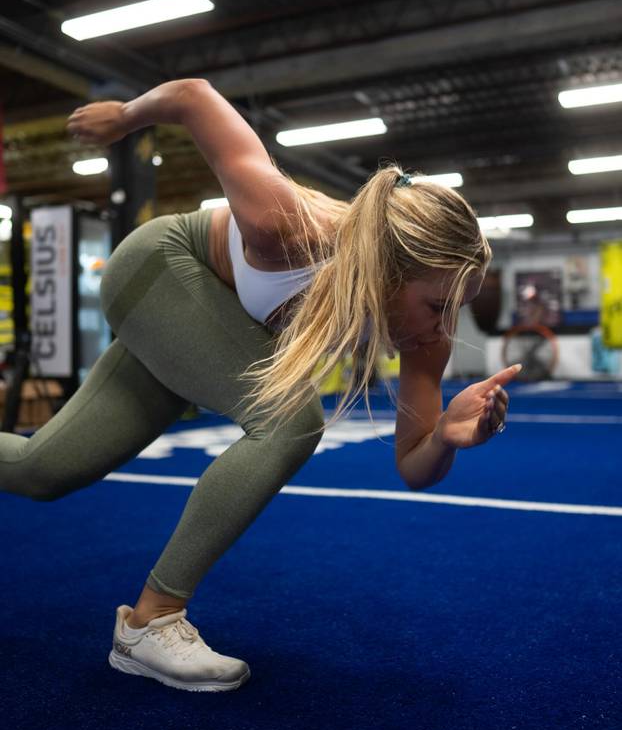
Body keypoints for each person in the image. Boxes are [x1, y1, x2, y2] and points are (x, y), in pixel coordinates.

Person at [0, 78, 520, 694]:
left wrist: (446, 441)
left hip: (207, 325)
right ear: (382, 271)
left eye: (457, 303)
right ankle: (150, 622)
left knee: (43, 470)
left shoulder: (426, 332)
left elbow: (413, 465)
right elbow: (195, 96)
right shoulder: (286, 223)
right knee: (291, 421)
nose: (444, 325)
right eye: (437, 303)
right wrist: (123, 118)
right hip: (157, 271)